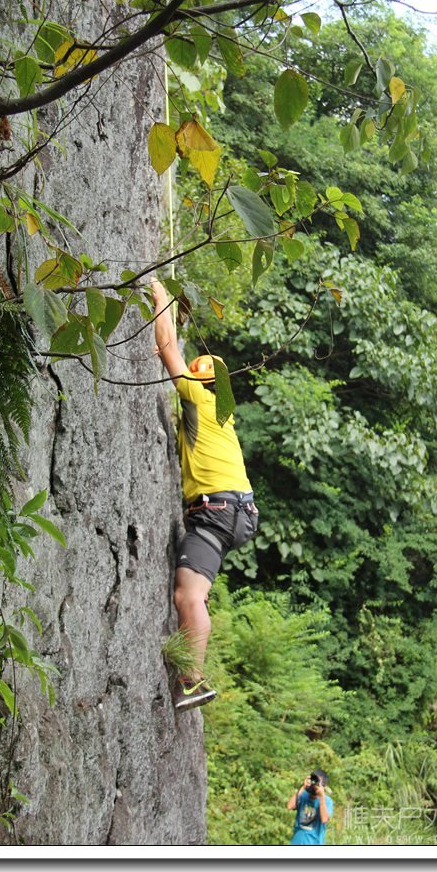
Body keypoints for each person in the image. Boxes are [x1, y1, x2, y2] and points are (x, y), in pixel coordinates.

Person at [150, 277, 259, 712]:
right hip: (237, 512)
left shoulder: (199, 397)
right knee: (196, 592)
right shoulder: (221, 413)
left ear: (202, 382)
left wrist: (160, 296)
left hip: (217, 510)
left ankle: (192, 681)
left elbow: (167, 349)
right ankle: (193, 661)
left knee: (188, 596)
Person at [287, 769, 333, 845]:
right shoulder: (303, 795)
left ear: (323, 786)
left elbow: (324, 819)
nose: (314, 784)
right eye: (313, 781)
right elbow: (289, 806)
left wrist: (321, 796)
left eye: (317, 782)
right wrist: (303, 787)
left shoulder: (327, 801)